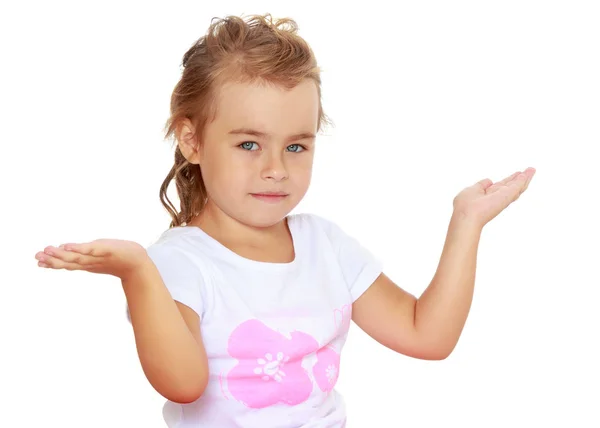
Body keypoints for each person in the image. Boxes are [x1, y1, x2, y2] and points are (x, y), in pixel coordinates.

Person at [34, 13, 536, 428]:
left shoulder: (327, 246)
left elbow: (427, 336)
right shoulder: (179, 263)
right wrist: (137, 272)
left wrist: (467, 223)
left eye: (296, 146)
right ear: (192, 141)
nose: (275, 169)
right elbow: (182, 383)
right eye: (248, 144)